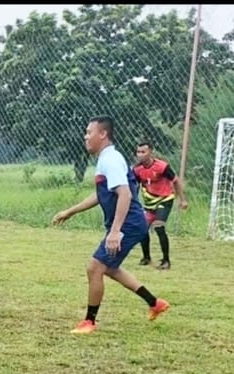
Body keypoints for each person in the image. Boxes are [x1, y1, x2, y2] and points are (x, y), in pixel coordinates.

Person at [52, 116, 170, 334]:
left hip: (129, 224)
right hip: (128, 223)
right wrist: (70, 212)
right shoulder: (106, 159)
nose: (86, 137)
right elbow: (101, 195)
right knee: (111, 268)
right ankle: (155, 303)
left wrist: (115, 232)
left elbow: (124, 194)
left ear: (103, 134)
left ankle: (89, 322)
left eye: (89, 132)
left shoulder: (111, 160)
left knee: (95, 267)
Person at [132, 141, 188, 270]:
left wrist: (182, 200)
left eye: (143, 152)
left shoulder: (162, 166)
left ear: (150, 152)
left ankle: (166, 260)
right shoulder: (137, 169)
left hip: (165, 199)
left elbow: (176, 181)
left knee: (158, 226)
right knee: (142, 228)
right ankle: (146, 257)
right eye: (138, 152)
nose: (140, 155)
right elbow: (135, 185)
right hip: (149, 203)